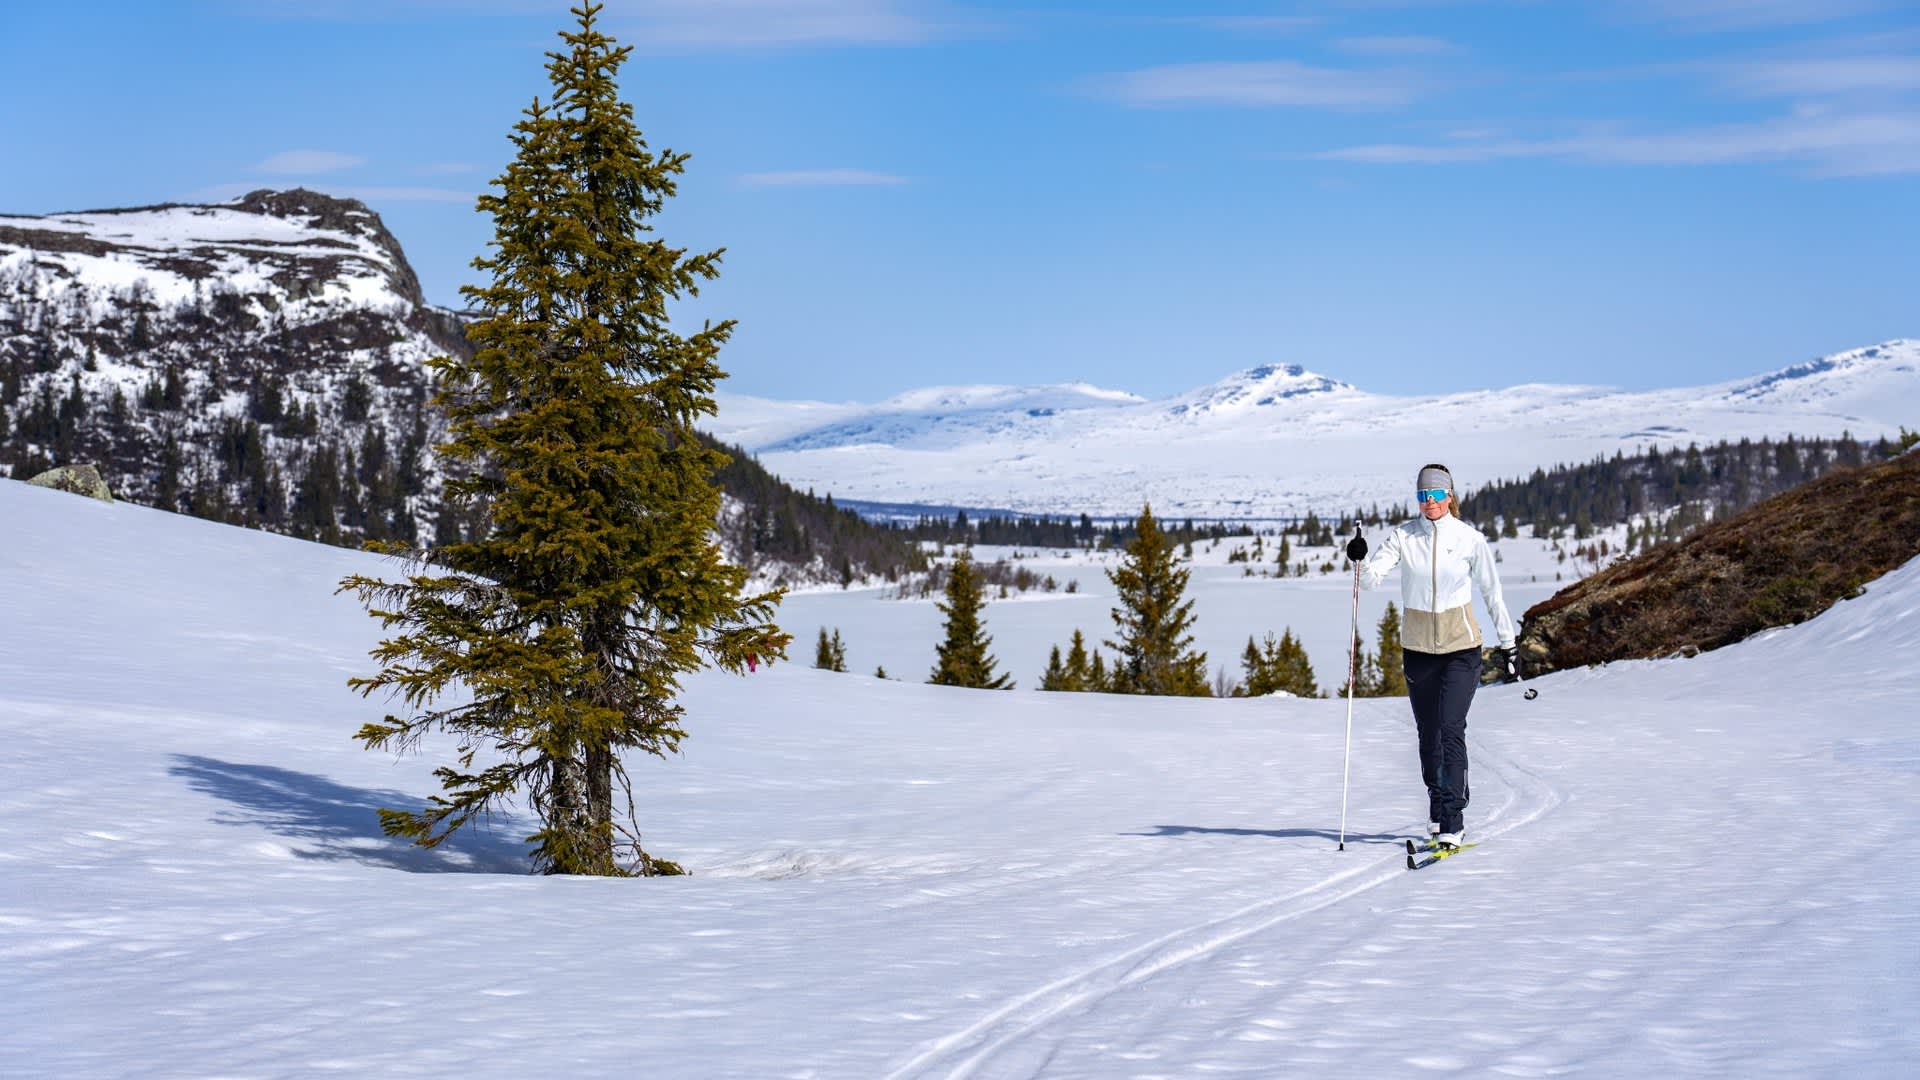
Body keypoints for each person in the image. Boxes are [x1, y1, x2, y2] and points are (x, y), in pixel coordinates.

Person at [1345, 464, 1517, 851]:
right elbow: (1370, 580)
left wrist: (1509, 644)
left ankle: (1453, 821)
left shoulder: (1469, 539)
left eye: (1436, 495)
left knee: (1451, 729)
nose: (1429, 502)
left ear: (1450, 496)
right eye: (1423, 496)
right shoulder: (1404, 537)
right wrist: (1359, 558)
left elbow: (1492, 594)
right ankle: (1439, 809)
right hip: (1419, 650)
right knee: (1429, 736)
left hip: (1461, 648)